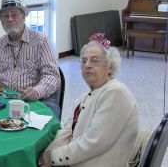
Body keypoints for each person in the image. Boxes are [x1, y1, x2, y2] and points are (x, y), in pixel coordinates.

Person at [38, 33, 139, 167]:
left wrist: (54, 158)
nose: (87, 65)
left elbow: (93, 142)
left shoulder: (115, 93)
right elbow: (68, 132)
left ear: (110, 67)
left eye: (95, 60)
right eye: (84, 61)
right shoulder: (85, 98)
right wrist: (46, 154)